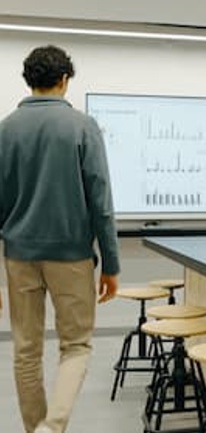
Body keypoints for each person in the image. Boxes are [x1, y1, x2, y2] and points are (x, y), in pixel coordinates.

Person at [0, 45, 120, 433]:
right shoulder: (83, 127)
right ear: (65, 80)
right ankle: (52, 428)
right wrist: (112, 265)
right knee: (76, 346)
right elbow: (100, 203)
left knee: (25, 351)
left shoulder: (5, 130)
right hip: (71, 257)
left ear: (28, 81)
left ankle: (37, 427)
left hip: (18, 257)